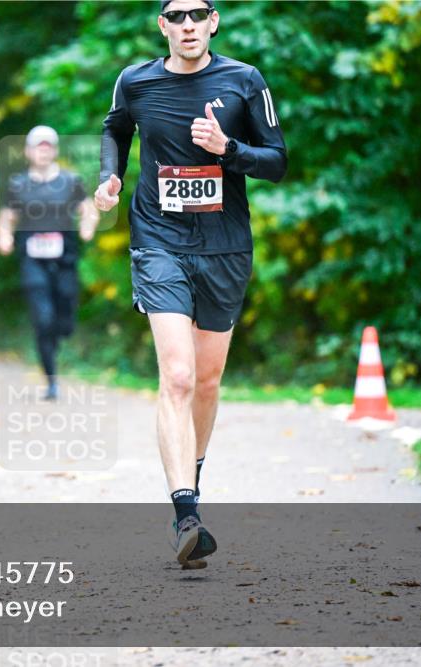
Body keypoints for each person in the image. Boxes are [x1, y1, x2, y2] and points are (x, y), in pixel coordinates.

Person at [95, 0, 287, 566]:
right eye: (175, 16)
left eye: (196, 15)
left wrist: (227, 149)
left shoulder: (244, 81)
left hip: (225, 246)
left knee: (206, 382)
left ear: (213, 22)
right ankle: (186, 514)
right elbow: (115, 130)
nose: (186, 25)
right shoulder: (136, 81)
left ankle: (191, 482)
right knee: (176, 376)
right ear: (162, 25)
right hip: (159, 240)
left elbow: (277, 161)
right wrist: (110, 176)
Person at [0, 126, 99, 400]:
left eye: (48, 146)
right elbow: (6, 218)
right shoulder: (18, 185)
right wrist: (4, 238)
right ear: (28, 151)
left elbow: (88, 210)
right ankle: (51, 378)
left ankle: (61, 329)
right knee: (42, 319)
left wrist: (88, 227)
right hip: (32, 258)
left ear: (54, 151)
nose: (43, 151)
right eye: (38, 146)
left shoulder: (70, 181)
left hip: (65, 256)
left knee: (64, 315)